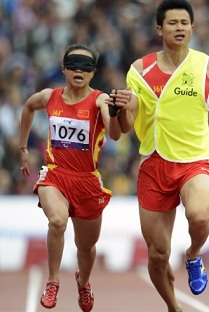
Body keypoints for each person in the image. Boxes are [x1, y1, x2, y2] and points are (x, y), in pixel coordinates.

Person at [109, 1, 209, 311]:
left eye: (185, 22)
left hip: (195, 160)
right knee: (157, 255)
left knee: (198, 216)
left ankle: (194, 254)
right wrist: (119, 110)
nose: (179, 27)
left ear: (193, 28)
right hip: (154, 164)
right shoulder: (139, 71)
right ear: (159, 29)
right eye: (172, 23)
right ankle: (173, 307)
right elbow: (126, 126)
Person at [19, 43, 129, 311]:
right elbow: (28, 106)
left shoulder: (101, 100)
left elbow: (115, 134)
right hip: (55, 175)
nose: (80, 70)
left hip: (87, 181)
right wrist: (23, 147)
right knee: (57, 222)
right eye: (74, 65)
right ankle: (53, 281)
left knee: (85, 246)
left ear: (92, 73)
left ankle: (84, 282)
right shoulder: (49, 96)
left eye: (86, 66)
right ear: (64, 69)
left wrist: (115, 114)